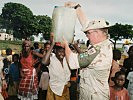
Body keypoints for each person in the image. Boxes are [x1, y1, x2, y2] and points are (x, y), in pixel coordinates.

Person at [63, 2, 113, 100]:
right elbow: (86, 23)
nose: (86, 36)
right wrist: (77, 7)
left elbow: (73, 63)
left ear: (97, 33)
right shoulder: (103, 43)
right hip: (90, 92)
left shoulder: (98, 52)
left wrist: (66, 45)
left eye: (88, 33)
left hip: (95, 96)